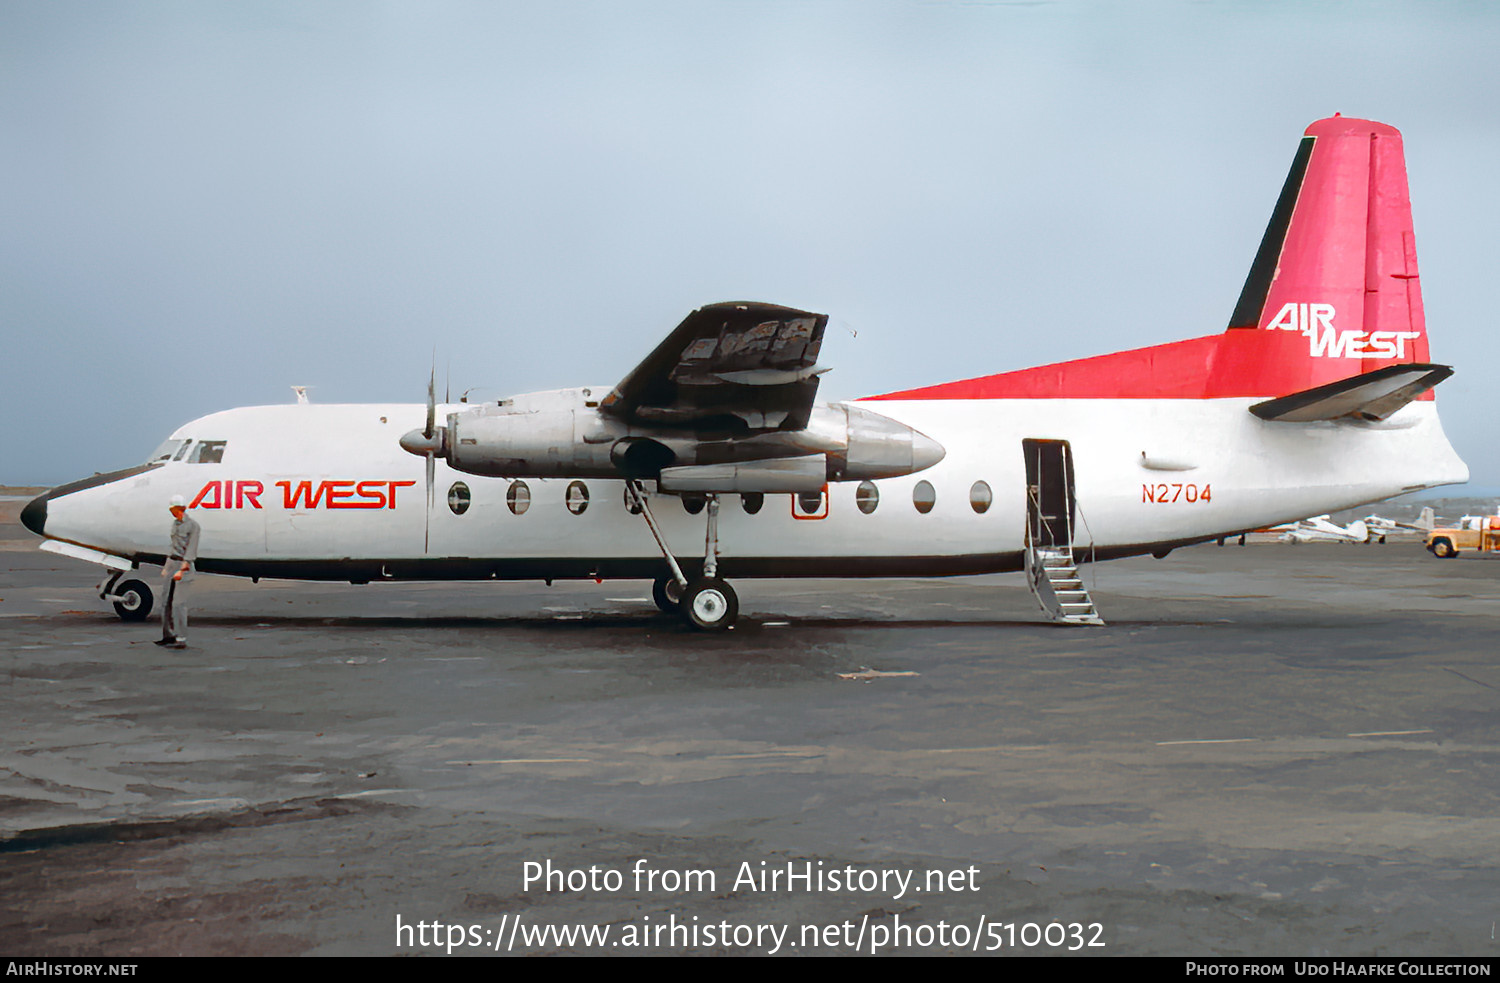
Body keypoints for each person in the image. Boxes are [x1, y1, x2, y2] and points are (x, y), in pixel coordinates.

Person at [157, 495, 201, 648]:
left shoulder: (193, 526)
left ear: (180, 508)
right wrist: (167, 567)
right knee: (165, 602)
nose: (172, 512)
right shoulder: (175, 525)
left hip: (184, 566)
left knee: (178, 603)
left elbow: (191, 550)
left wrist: (182, 570)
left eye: (173, 509)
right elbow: (173, 547)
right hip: (173, 563)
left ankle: (181, 638)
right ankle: (168, 635)